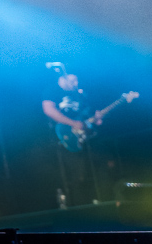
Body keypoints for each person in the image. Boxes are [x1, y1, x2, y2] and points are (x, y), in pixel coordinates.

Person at [42, 72, 102, 206]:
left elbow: (87, 117)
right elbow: (49, 110)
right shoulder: (52, 90)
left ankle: (92, 202)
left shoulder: (80, 95)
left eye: (77, 80)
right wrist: (73, 123)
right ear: (63, 78)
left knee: (88, 172)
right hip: (61, 137)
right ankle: (74, 206)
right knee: (72, 175)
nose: (76, 84)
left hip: (81, 138)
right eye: (73, 80)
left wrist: (95, 119)